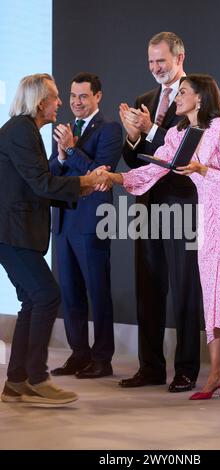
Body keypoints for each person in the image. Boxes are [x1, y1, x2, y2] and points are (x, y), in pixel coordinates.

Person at [99, 73, 220, 402]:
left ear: (200, 98)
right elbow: (155, 169)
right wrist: (116, 176)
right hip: (207, 221)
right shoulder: (178, 133)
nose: (176, 97)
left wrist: (201, 169)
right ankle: (217, 373)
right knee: (213, 297)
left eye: (183, 92)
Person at [0, 73, 110, 405]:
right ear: (40, 102)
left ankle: (16, 381)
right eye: (56, 97)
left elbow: (41, 183)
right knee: (47, 296)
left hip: (15, 232)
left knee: (34, 301)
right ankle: (36, 378)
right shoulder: (21, 131)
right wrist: (86, 182)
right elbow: (43, 183)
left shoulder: (24, 130)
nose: (61, 103)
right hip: (12, 233)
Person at [119, 32, 202, 392]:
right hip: (148, 206)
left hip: (182, 203)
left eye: (161, 61)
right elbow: (134, 161)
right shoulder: (144, 101)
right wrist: (133, 137)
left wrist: (149, 129)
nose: (155, 68)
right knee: (148, 288)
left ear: (179, 58)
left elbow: (179, 154)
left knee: (184, 289)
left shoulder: (197, 96)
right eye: (151, 62)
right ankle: (150, 367)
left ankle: (186, 369)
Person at [49, 73, 122, 379]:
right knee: (70, 292)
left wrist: (72, 150)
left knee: (98, 291)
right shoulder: (66, 130)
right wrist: (63, 153)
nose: (76, 102)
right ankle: (79, 354)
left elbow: (101, 174)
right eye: (72, 96)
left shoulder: (109, 130)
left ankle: (102, 359)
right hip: (64, 222)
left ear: (97, 97)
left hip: (93, 223)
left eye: (83, 96)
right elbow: (52, 171)